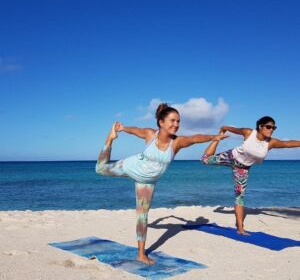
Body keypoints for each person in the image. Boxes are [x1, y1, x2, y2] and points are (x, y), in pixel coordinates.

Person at [96, 103, 228, 264]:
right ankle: (110, 139)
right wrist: (122, 128)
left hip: (147, 183)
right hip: (131, 167)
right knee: (100, 169)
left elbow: (194, 138)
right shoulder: (150, 134)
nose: (176, 125)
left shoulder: (176, 142)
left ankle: (141, 254)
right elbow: (136, 130)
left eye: (178, 121)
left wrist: (212, 137)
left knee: (142, 217)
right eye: (172, 121)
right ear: (161, 122)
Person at [202, 116, 300, 235]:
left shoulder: (271, 143)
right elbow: (235, 129)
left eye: (274, 128)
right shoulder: (249, 132)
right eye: (268, 127)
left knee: (239, 197)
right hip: (231, 156)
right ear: (260, 126)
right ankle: (216, 140)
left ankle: (240, 227)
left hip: (242, 169)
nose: (271, 130)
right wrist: (224, 128)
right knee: (205, 160)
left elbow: (288, 143)